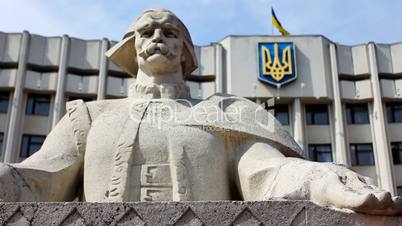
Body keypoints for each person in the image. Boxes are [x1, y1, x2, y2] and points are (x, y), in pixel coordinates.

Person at [0, 8, 400, 216]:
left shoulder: (227, 113)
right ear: (131, 48)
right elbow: (36, 179)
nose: (158, 37)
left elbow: (269, 174)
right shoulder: (88, 118)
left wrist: (323, 181)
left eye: (170, 32)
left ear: (185, 51)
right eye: (147, 31)